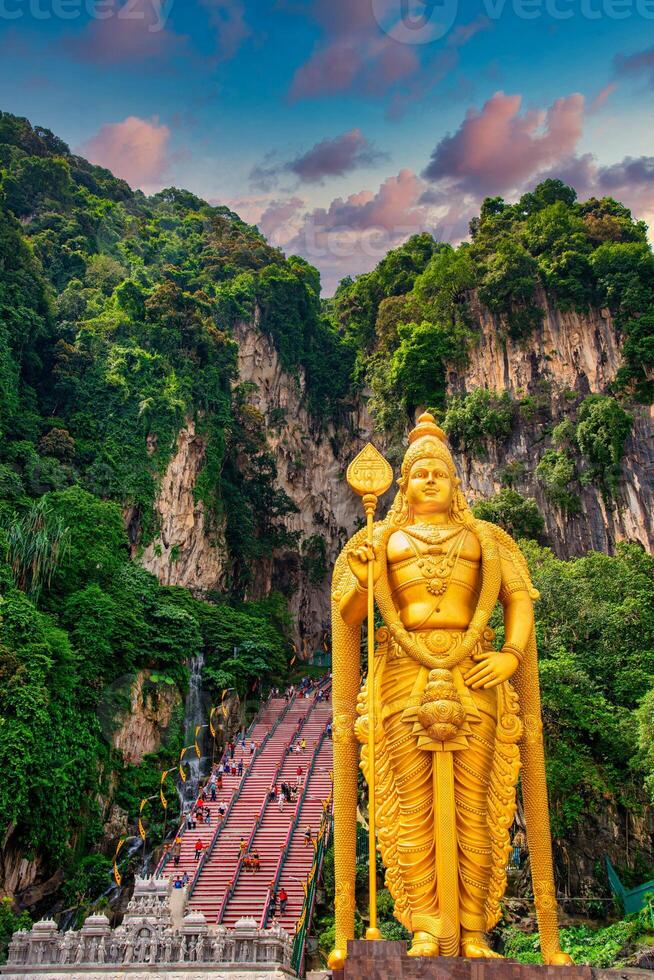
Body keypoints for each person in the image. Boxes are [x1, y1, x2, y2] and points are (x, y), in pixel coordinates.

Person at [328, 412, 571, 967]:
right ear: (404, 485)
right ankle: (423, 926)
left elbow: (520, 599)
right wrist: (365, 576)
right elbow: (350, 617)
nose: (430, 479)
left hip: (474, 672)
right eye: (419, 473)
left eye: (440, 471)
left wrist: (510, 655)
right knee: (408, 805)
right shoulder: (380, 540)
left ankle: (473, 930)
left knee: (477, 804)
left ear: (456, 482)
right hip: (403, 675)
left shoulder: (486, 539)